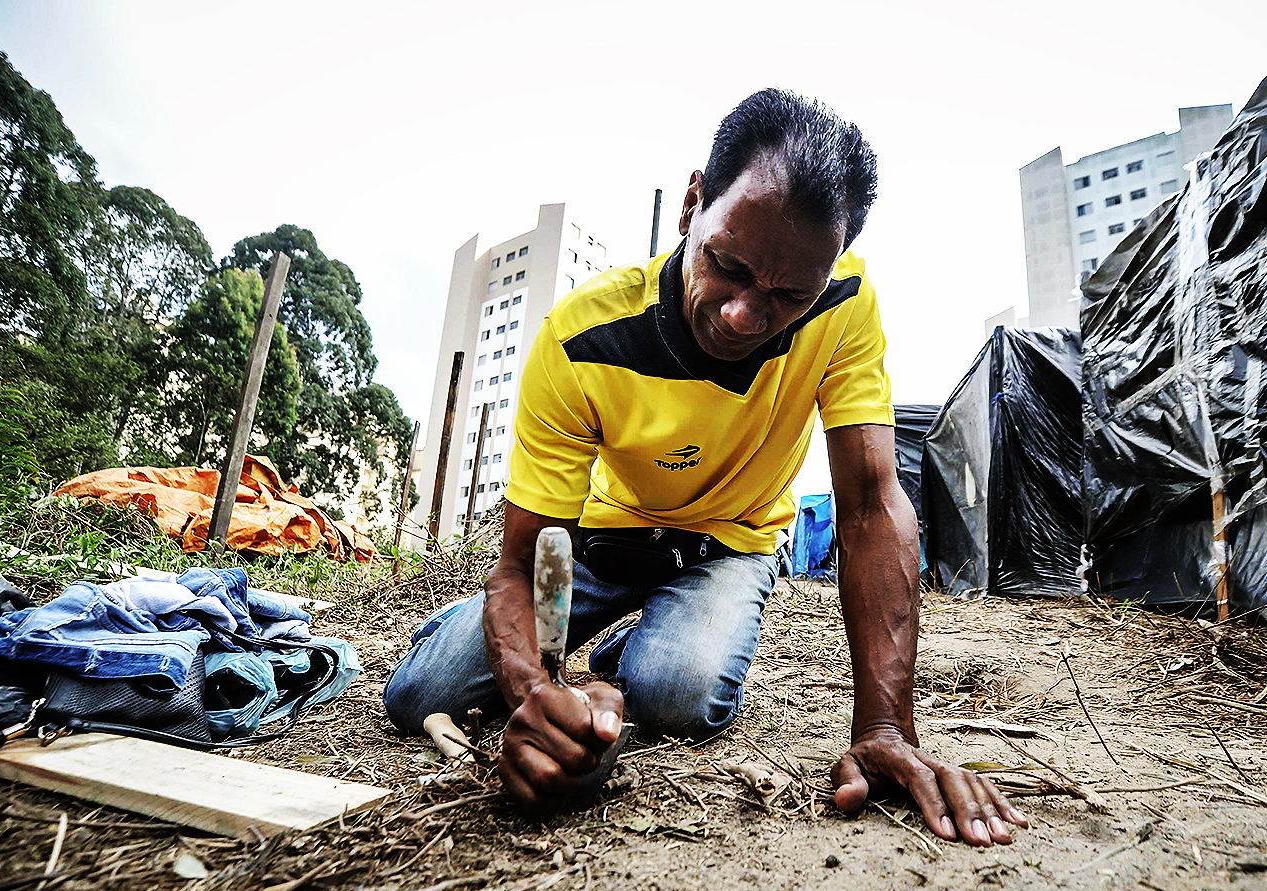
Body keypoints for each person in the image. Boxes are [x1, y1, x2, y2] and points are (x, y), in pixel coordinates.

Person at [384, 88, 1028, 848]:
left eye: (791, 294)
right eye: (729, 265)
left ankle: (632, 659)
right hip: (598, 543)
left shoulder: (846, 304)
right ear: (694, 203)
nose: (745, 316)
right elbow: (528, 563)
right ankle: (580, 648)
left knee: (677, 695)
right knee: (421, 693)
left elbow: (868, 508)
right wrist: (534, 690)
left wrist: (886, 727)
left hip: (728, 547)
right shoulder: (583, 338)